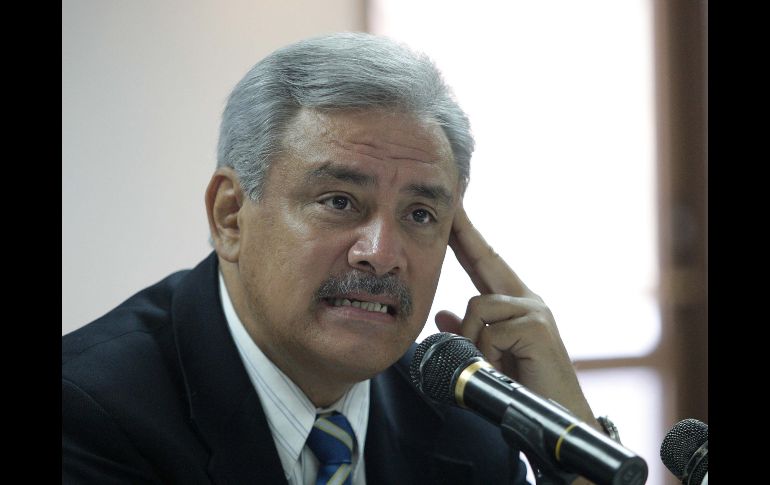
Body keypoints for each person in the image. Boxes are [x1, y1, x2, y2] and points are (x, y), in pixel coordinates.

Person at [62, 32, 608, 485]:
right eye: (339, 202)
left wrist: (569, 445)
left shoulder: (466, 418)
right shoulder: (91, 412)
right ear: (230, 216)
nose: (382, 255)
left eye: (420, 214)